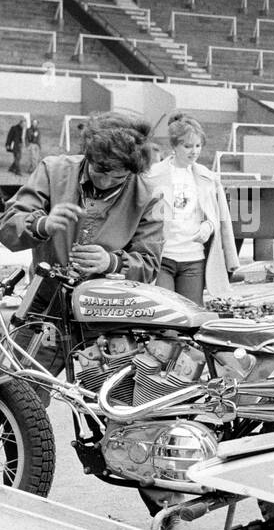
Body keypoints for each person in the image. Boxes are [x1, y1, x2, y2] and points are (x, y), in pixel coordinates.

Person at [0, 112, 163, 370]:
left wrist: (111, 263)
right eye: (100, 169)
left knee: (110, 401)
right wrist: (42, 225)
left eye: (118, 177)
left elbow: (149, 263)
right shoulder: (53, 170)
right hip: (45, 307)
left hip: (108, 312)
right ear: (89, 153)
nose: (106, 180)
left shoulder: (147, 197)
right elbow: (9, 223)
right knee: (19, 392)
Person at [145, 113, 239, 304]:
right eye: (187, 146)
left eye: (197, 146)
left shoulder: (208, 177)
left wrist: (209, 226)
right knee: (166, 317)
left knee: (191, 317)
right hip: (163, 258)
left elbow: (220, 218)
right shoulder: (153, 176)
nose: (194, 151)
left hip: (193, 258)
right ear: (174, 146)